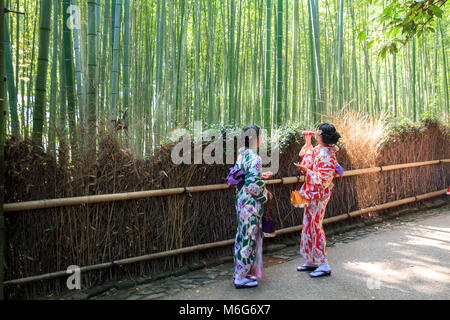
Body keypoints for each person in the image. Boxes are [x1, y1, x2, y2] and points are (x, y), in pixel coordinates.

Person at [295, 123, 341, 278]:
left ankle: (323, 263)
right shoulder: (319, 150)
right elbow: (307, 160)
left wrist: (307, 171)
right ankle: (311, 259)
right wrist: (307, 143)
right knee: (308, 225)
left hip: (319, 196)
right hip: (311, 194)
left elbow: (323, 181)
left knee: (315, 226)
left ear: (321, 135)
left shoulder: (328, 155)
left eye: (316, 132)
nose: (315, 133)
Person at [232, 125, 273, 289]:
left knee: (242, 235)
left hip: (241, 200)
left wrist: (260, 176)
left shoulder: (242, 154)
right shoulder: (255, 158)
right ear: (256, 139)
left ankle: (241, 272)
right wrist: (265, 195)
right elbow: (253, 185)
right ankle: (241, 276)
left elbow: (245, 177)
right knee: (249, 236)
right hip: (250, 203)